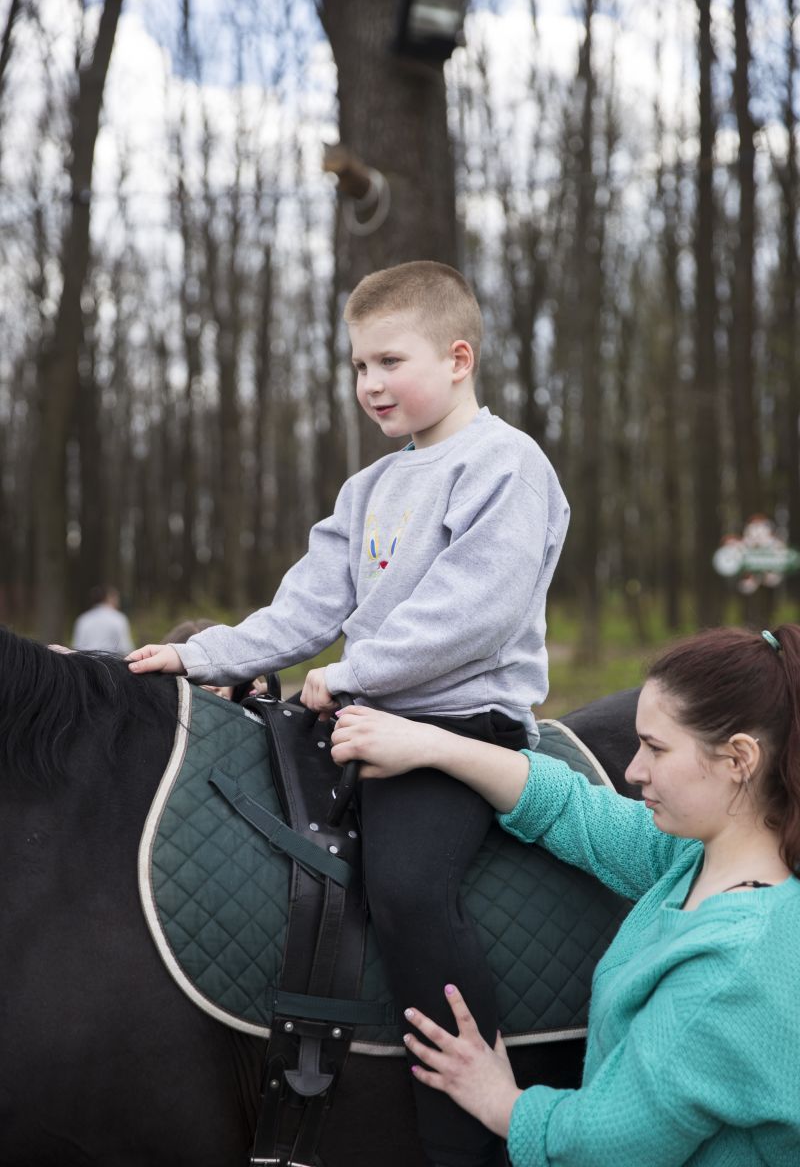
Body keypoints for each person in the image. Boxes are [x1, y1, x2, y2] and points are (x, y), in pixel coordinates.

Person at [127, 260, 570, 1167]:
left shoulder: (506, 464)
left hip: (458, 726)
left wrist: (354, 671)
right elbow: (304, 607)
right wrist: (202, 654)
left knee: (408, 888)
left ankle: (471, 1127)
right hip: (362, 709)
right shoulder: (368, 490)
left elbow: (474, 609)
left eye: (388, 361)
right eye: (357, 367)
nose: (369, 384)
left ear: (457, 358)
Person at [329, 625, 800, 1166]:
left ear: (739, 759)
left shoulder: (729, 970)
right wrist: (433, 745)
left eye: (656, 748)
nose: (632, 770)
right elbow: (574, 810)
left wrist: (502, 1101)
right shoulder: (694, 861)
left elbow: (608, 1145)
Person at [71, 585, 134, 654]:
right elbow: (125, 647)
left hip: (86, 663)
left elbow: (77, 647)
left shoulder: (83, 619)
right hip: (110, 663)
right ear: (108, 598)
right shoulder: (118, 618)